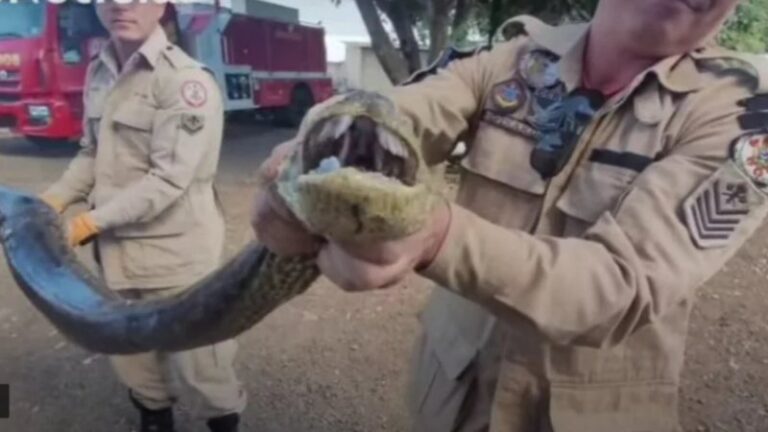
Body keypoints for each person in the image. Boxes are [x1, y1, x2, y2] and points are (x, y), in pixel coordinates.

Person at [252, 0, 768, 430]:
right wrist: (308, 154)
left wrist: (431, 235)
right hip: (454, 395)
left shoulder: (738, 117)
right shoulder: (507, 60)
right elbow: (393, 112)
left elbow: (620, 284)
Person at [40, 2, 246, 431]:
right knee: (131, 356)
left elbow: (169, 181)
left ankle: (224, 422)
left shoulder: (185, 81)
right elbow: (91, 152)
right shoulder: (101, 70)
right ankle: (154, 417)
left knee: (203, 365)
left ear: (163, 5)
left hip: (177, 257)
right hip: (116, 257)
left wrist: (92, 221)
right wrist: (54, 200)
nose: (120, 4)